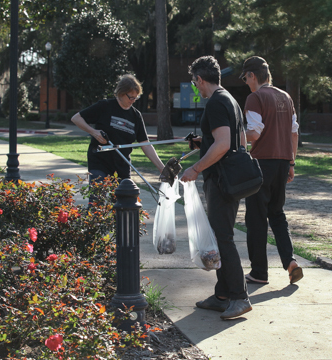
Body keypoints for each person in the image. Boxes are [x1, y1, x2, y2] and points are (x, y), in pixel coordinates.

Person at [180, 56, 252, 320]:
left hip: (221, 180)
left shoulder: (215, 102)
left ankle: (239, 297)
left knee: (223, 238)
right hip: (230, 179)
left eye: (195, 82)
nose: (196, 87)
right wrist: (205, 143)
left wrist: (196, 168)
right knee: (220, 236)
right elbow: (239, 141)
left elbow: (223, 145)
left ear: (200, 79)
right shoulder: (230, 99)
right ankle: (222, 295)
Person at [240, 56, 303, 285]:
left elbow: (254, 133)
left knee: (256, 218)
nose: (246, 83)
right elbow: (294, 132)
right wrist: (292, 163)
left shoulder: (255, 98)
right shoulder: (286, 97)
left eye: (246, 78)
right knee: (277, 214)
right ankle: (290, 261)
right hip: (283, 161)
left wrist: (233, 137)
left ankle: (259, 272)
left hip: (261, 163)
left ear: (253, 75)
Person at [70, 74, 165, 200]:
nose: (133, 101)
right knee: (97, 202)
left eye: (136, 98)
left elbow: (145, 144)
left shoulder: (136, 116)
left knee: (124, 204)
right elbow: (76, 118)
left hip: (122, 166)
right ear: (121, 93)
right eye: (130, 97)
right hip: (100, 163)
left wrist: (162, 168)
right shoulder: (105, 106)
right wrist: (94, 132)